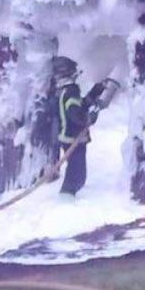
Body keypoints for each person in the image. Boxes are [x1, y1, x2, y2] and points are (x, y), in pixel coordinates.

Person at [52, 56, 91, 196]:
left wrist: (94, 94)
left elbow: (79, 105)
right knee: (77, 171)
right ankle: (66, 196)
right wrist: (88, 118)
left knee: (76, 169)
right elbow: (75, 114)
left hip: (68, 137)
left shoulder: (63, 91)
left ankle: (69, 193)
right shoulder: (71, 91)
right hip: (73, 138)